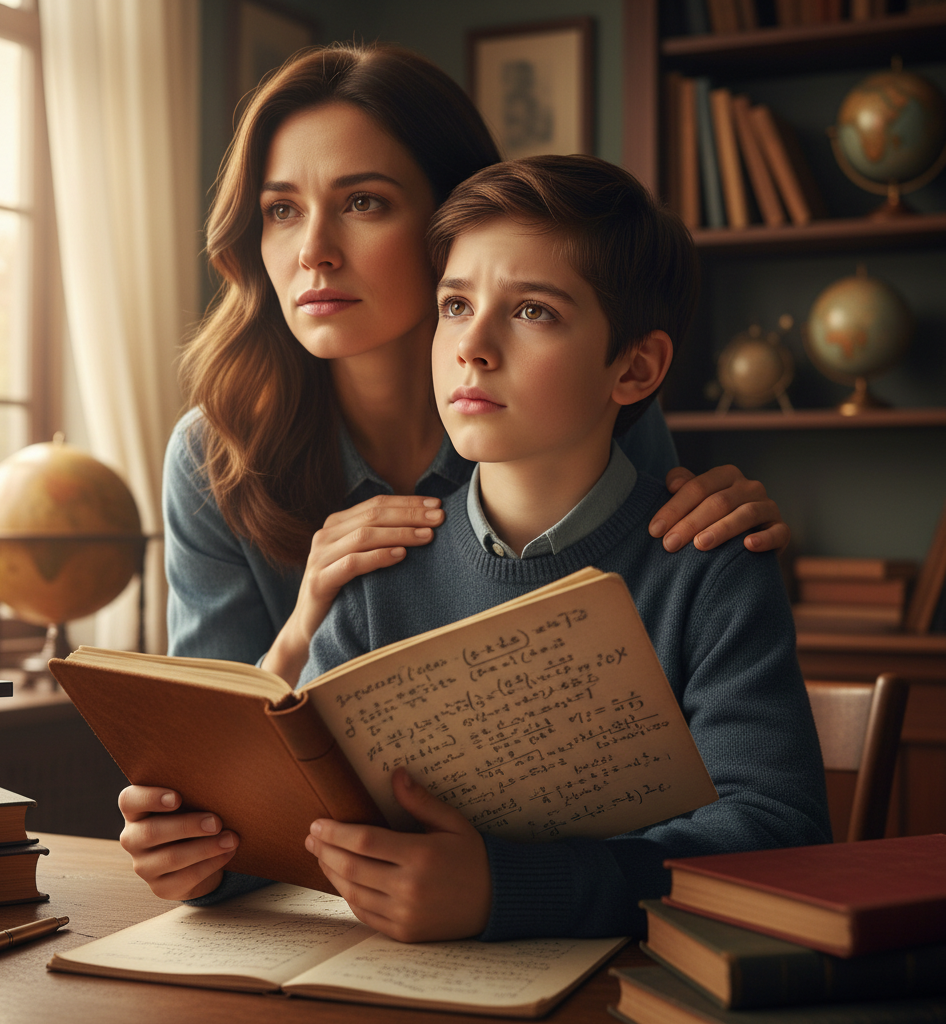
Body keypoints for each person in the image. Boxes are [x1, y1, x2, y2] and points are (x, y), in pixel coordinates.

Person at [119, 43, 794, 906]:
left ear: (455, 218)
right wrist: (199, 833)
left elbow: (656, 599)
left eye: (363, 202)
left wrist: (729, 522)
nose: (314, 251)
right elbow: (241, 799)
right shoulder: (215, 458)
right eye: (281, 210)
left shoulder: (601, 421)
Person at [297, 156, 831, 943]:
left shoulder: (710, 563)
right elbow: (305, 809)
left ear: (635, 367)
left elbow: (779, 835)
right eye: (454, 304)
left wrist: (509, 890)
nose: (472, 346)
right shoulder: (381, 563)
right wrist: (211, 850)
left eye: (533, 312)